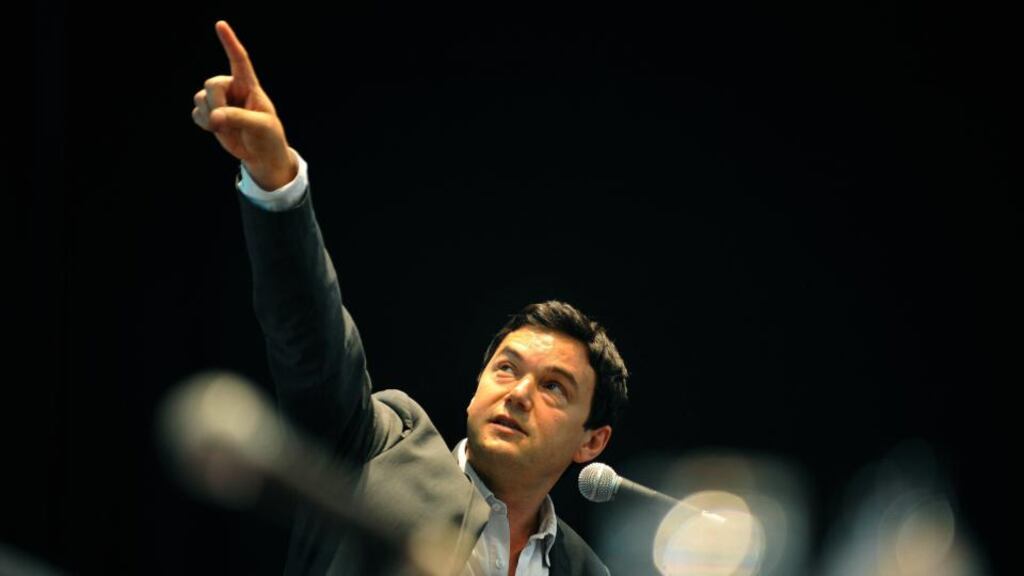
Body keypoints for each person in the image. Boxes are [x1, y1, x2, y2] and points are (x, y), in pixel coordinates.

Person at [191, 20, 629, 576]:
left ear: (592, 442)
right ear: (476, 388)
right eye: (506, 368)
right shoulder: (378, 446)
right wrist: (275, 180)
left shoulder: (587, 570)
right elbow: (310, 339)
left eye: (553, 388)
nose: (518, 394)